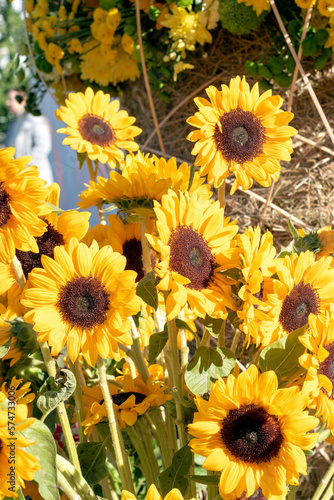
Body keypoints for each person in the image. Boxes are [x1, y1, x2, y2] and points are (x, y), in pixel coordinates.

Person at [5, 89, 54, 185]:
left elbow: (43, 147)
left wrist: (23, 166)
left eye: (11, 99)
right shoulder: (14, 123)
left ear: (23, 101)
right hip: (20, 180)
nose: (8, 103)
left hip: (37, 179)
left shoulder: (35, 119)